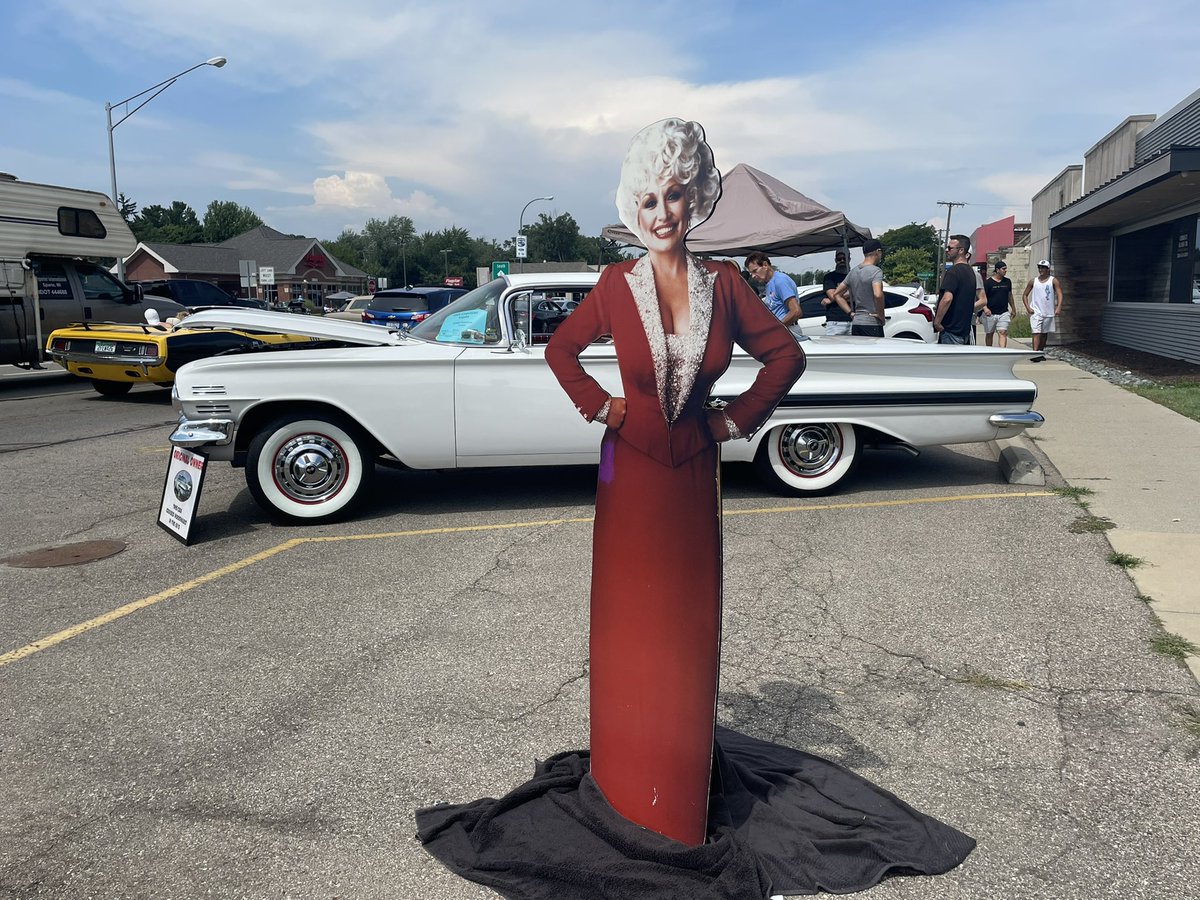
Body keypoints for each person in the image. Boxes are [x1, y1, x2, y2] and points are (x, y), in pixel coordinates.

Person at [416, 118, 974, 898]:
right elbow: (559, 351)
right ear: (632, 204)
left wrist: (733, 420)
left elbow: (788, 356)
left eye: (676, 194)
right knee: (627, 623)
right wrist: (601, 409)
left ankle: (673, 793)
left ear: (697, 198)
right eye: (648, 197)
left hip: (695, 475)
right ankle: (624, 773)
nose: (662, 211)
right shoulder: (613, 287)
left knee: (684, 626)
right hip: (629, 474)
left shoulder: (727, 286)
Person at [933, 234, 980, 344]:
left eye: (950, 248)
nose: (946, 250)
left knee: (947, 361)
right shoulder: (971, 272)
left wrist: (937, 322)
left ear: (961, 250)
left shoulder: (953, 272)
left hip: (951, 331)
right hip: (964, 331)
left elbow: (947, 298)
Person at [834, 238, 886, 336]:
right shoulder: (876, 271)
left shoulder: (853, 271)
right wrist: (881, 315)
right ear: (878, 252)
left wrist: (850, 313)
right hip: (872, 322)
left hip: (857, 322)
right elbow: (878, 294)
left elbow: (837, 294)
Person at [745, 251, 801, 331]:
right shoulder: (770, 283)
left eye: (755, 271)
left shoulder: (780, 281)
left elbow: (796, 311)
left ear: (765, 265)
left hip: (788, 331)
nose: (753, 276)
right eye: (751, 273)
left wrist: (776, 329)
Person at [1023, 259, 1063, 351]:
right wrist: (1028, 307)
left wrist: (1059, 307)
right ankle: (1035, 352)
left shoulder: (1053, 280)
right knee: (1036, 332)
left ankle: (1040, 351)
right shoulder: (1033, 281)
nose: (1041, 269)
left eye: (1043, 268)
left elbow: (1059, 293)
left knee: (1044, 333)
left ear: (1048, 269)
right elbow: (1025, 295)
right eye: (1040, 267)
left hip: (1048, 311)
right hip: (1036, 311)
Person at [982, 260, 1017, 347]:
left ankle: (1002, 352)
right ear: (997, 270)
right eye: (1003, 269)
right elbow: (982, 297)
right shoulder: (988, 282)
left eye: (1006, 269)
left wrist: (1013, 308)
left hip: (1003, 312)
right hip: (990, 313)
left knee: (1003, 332)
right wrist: (985, 308)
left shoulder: (1007, 281)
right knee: (990, 333)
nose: (1005, 270)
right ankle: (989, 351)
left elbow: (1010, 295)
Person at [821, 250, 853, 334]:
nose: (842, 261)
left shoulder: (854, 275)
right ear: (835, 260)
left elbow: (858, 294)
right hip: (835, 322)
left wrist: (833, 299)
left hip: (854, 319)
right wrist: (850, 293)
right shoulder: (829, 277)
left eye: (844, 258)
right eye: (839, 259)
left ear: (849, 259)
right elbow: (832, 295)